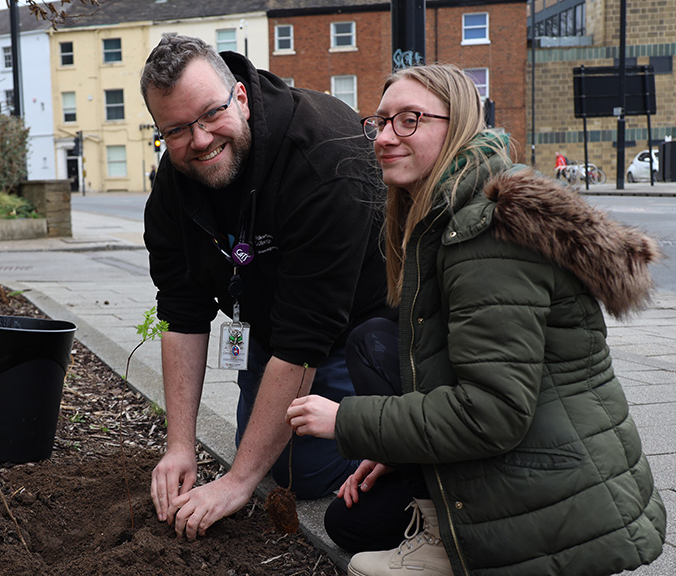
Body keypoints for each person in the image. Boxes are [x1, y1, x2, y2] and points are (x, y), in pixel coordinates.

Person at [286, 64, 666, 576]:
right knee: (349, 523)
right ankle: (434, 519)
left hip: (557, 475)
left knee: (371, 344)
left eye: (410, 119)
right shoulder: (443, 213)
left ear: (458, 124)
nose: (385, 136)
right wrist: (393, 447)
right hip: (522, 448)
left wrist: (347, 421)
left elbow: (493, 413)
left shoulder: (486, 233)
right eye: (379, 122)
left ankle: (446, 541)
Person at [139, 34, 392, 540]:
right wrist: (180, 446)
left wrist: (235, 481)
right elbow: (182, 310)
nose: (201, 139)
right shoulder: (175, 178)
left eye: (210, 114)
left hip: (362, 324)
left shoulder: (323, 158)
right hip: (268, 321)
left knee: (303, 474)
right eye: (178, 130)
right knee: (274, 463)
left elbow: (306, 335)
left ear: (242, 97)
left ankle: (399, 436)